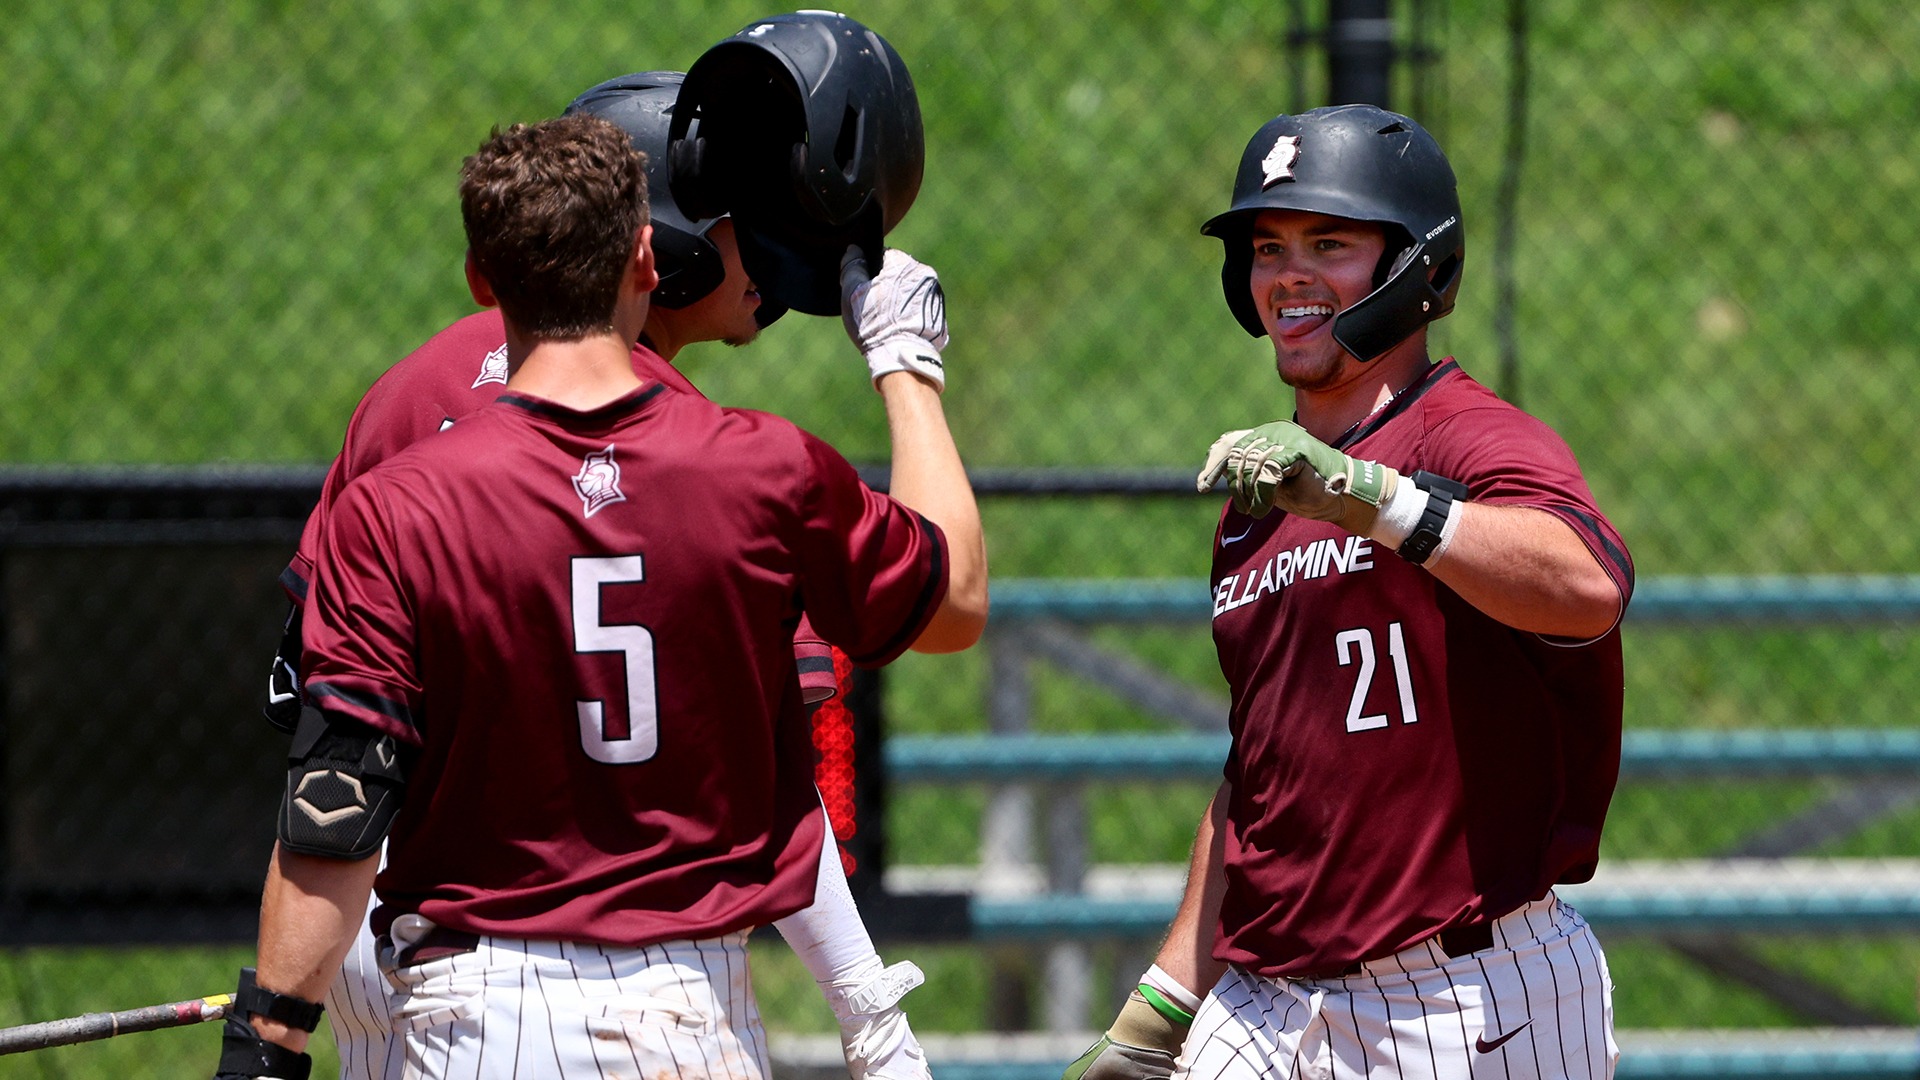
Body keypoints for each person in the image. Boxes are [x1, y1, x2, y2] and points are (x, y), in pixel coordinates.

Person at [213, 114, 985, 1080]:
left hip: (468, 1012)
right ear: (648, 261)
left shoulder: (396, 506)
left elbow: (337, 804)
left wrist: (271, 1036)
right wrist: (906, 366)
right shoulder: (764, 469)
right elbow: (952, 598)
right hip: (683, 1010)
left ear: (483, 283)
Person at [1064, 105, 1634, 1079]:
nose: (1289, 272)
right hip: (1267, 993)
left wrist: (1379, 500)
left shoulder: (1462, 437)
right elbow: (1260, 776)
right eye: (1268, 245)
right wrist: (1162, 1007)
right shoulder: (1260, 498)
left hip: (1460, 991)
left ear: (1417, 264)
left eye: (1329, 242)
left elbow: (1588, 585)